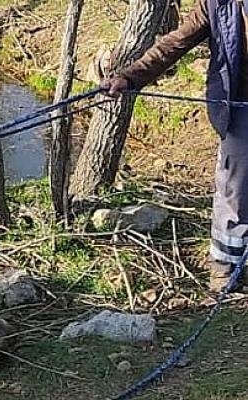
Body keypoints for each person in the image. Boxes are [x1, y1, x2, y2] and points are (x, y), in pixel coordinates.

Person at [101, 0, 248, 292]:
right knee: (235, 187)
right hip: (238, 104)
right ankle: (224, 267)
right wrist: (129, 77)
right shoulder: (216, 4)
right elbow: (174, 43)